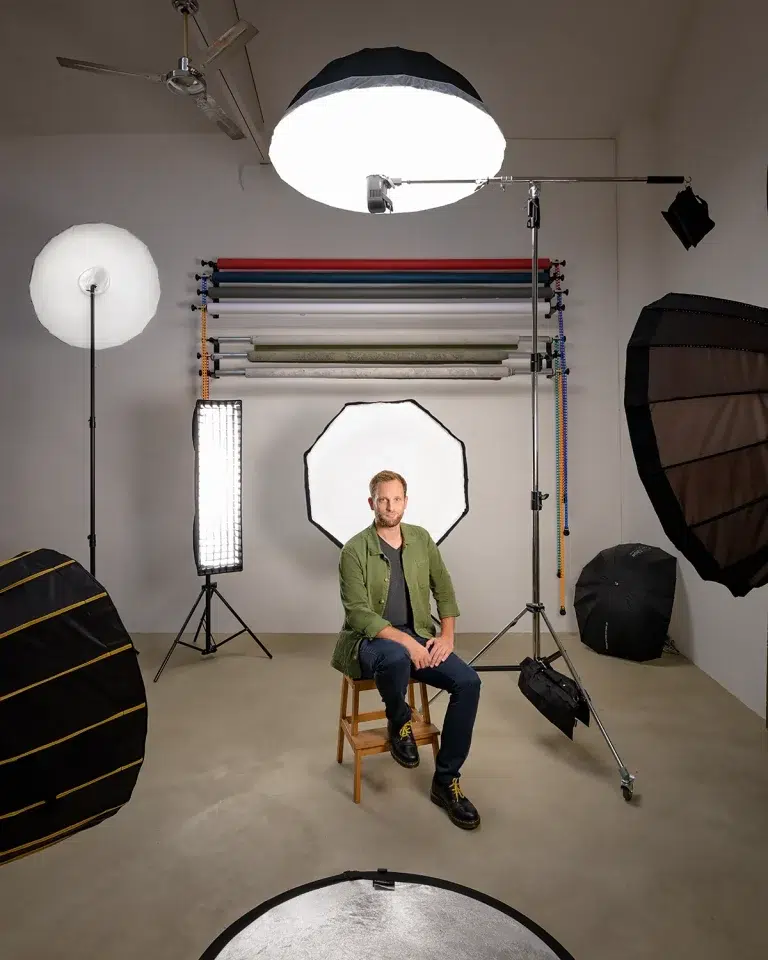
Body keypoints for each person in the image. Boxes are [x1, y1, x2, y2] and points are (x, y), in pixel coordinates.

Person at [332, 469, 482, 830]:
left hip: (418, 635)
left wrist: (446, 637)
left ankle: (446, 782)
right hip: (369, 643)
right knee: (398, 657)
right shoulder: (354, 550)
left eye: (396, 499)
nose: (390, 506)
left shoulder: (421, 539)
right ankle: (399, 722)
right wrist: (405, 642)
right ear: (371, 503)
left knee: (469, 682)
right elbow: (357, 613)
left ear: (406, 501)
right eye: (383, 499)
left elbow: (443, 590)